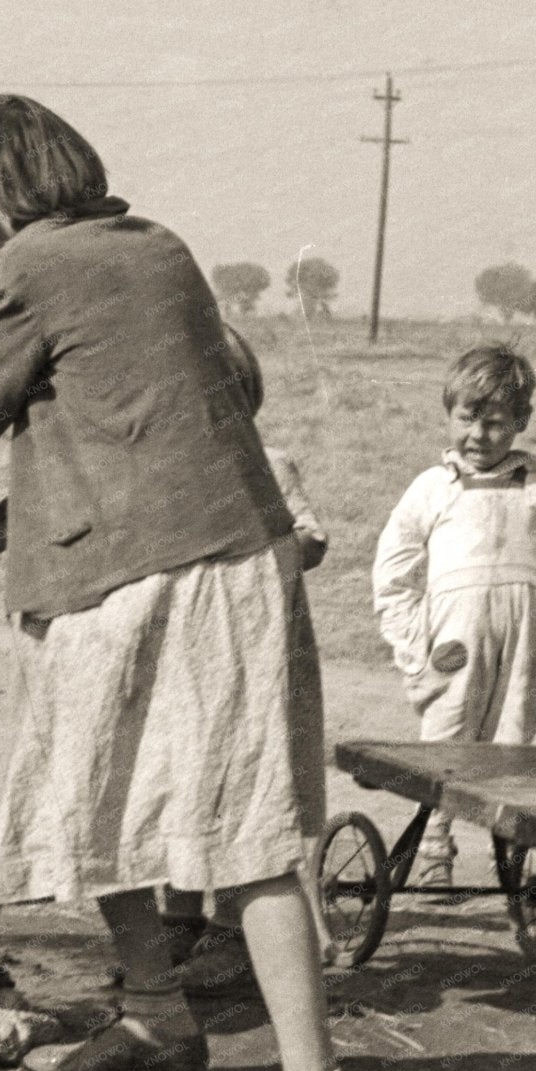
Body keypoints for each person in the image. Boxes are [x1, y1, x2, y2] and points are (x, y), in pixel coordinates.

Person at [0, 94, 371, 1071]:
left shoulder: (32, 263)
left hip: (178, 571)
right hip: (211, 554)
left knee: (243, 832)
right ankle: (157, 1020)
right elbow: (104, 423)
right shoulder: (153, 246)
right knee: (108, 796)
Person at [371, 345, 536, 886]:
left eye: (496, 424)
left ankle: (510, 857)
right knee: (447, 740)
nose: (479, 435)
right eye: (467, 419)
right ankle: (433, 854)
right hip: (454, 638)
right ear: (449, 414)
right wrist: (409, 637)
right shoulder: (431, 488)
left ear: (521, 423)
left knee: (513, 742)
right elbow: (393, 569)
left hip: (525, 635)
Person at [165, 325, 335, 998]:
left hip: (260, 648)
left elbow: (311, 537)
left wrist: (268, 558)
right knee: (180, 776)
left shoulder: (271, 461)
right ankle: (176, 917)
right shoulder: (169, 473)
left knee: (249, 781)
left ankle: (237, 930)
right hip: (190, 652)